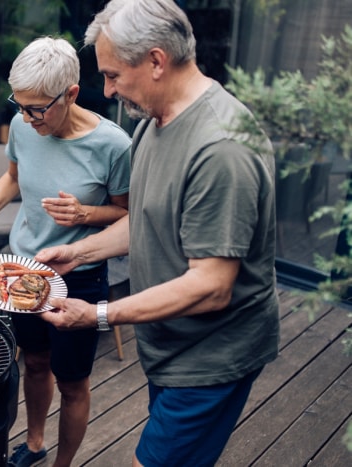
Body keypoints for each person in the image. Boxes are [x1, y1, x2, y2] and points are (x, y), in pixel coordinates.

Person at [34, 1, 280, 466]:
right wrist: (80, 253)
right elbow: (147, 220)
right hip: (166, 342)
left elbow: (211, 286)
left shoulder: (222, 148)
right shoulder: (151, 120)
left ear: (155, 61)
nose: (106, 91)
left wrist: (99, 315)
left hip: (210, 356)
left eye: (112, 75)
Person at [0, 36, 131, 467]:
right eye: (19, 104)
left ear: (70, 94)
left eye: (36, 108)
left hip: (79, 277)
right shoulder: (22, 125)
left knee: (72, 383)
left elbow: (128, 216)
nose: (26, 117)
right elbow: (12, 178)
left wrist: (86, 212)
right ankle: (33, 443)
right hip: (21, 268)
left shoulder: (115, 145)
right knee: (33, 362)